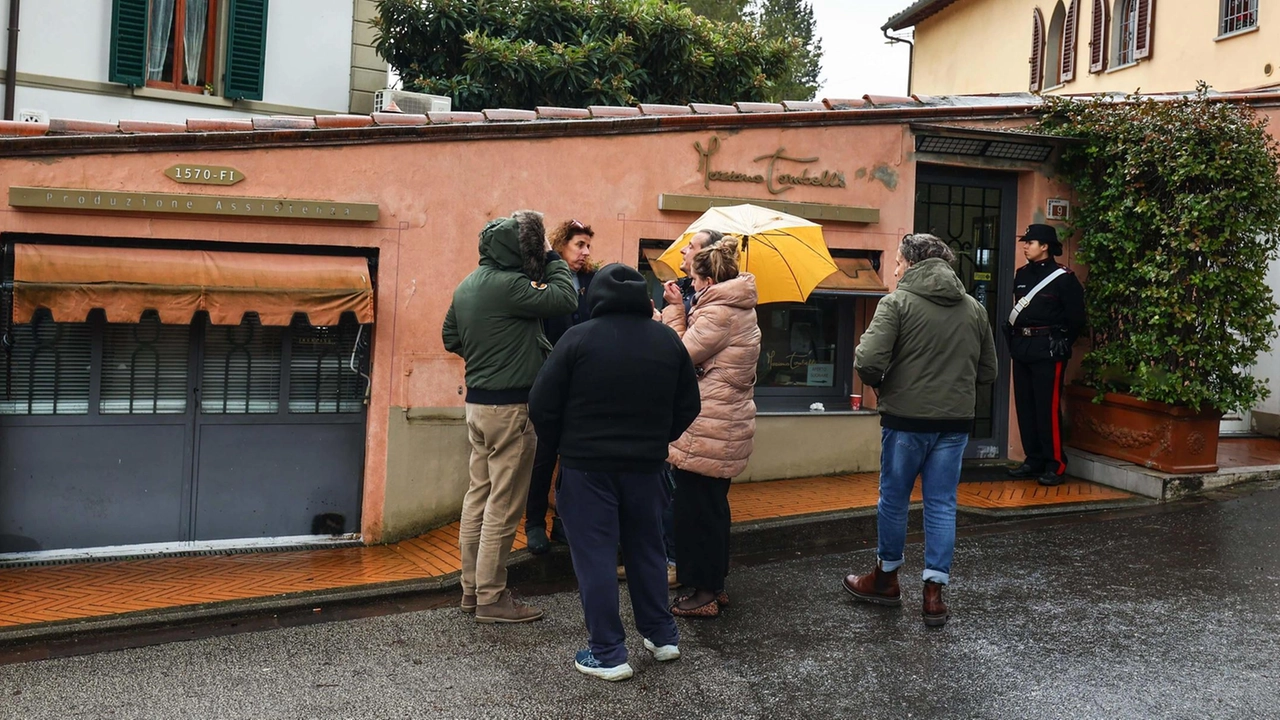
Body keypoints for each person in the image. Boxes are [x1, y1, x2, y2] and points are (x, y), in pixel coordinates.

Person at [529, 263, 701, 681]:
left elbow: (541, 404)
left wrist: (567, 442)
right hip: (647, 468)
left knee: (596, 558)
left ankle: (607, 653)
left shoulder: (578, 339)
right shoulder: (667, 341)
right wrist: (657, 438)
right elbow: (689, 405)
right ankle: (663, 637)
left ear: (596, 297)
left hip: (587, 470)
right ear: (642, 297)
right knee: (648, 550)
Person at [843, 233, 997, 628]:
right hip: (956, 422)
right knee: (942, 503)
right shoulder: (974, 309)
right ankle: (934, 595)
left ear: (911, 263)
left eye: (896, 262)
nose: (894, 269)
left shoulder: (896, 303)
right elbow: (988, 372)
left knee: (894, 499)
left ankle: (886, 579)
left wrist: (884, 384)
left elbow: (867, 360)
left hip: (906, 420)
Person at [441, 210, 578, 624]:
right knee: (503, 505)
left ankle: (471, 591)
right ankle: (492, 598)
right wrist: (553, 258)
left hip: (478, 406)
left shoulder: (467, 286)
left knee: (478, 499)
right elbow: (565, 298)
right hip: (512, 408)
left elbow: (450, 336)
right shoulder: (511, 285)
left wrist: (488, 357)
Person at [660, 240, 761, 618]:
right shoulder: (737, 307)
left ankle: (703, 593)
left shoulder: (718, 311)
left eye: (692, 278)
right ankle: (714, 585)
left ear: (705, 279)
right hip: (725, 424)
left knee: (696, 511)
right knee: (712, 509)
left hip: (709, 426)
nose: (690, 284)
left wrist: (673, 312)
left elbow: (679, 354)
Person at [525, 219, 596, 556]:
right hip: (549, 378)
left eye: (587, 246)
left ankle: (564, 526)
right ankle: (534, 523)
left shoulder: (591, 282)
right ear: (561, 245)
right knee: (544, 455)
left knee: (573, 458)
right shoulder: (542, 278)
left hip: (582, 382)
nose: (585, 252)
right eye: (579, 245)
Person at [1004, 223, 1086, 487]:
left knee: (1047, 408)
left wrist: (1063, 341)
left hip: (1048, 349)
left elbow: (1076, 317)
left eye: (1031, 242)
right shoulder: (1022, 274)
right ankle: (1034, 458)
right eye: (1025, 242)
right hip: (1022, 346)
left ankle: (1055, 463)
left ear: (1045, 246)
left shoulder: (1063, 278)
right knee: (1025, 405)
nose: (1026, 246)